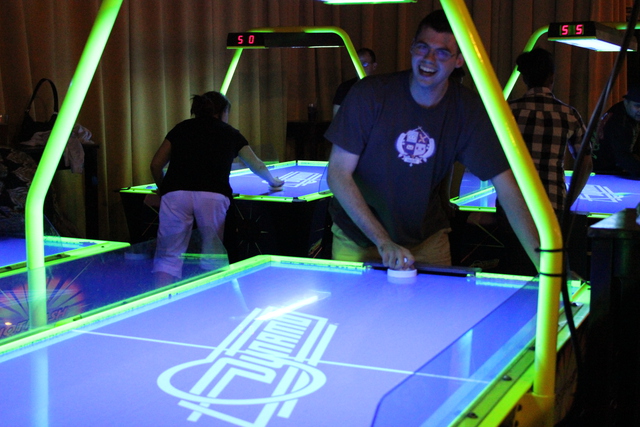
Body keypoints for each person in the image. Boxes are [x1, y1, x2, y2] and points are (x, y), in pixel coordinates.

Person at [325, 9, 540, 271]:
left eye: (442, 52)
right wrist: (383, 241)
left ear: (459, 60)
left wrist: (548, 265)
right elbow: (337, 174)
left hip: (426, 238)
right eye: (423, 47)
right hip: (357, 237)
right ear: (411, 47)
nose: (429, 59)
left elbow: (509, 191)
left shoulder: (467, 110)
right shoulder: (369, 94)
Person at [150, 91, 283, 284]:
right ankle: (213, 296)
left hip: (175, 194)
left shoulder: (180, 128)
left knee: (168, 256)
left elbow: (155, 165)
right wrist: (273, 181)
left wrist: (164, 189)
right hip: (213, 195)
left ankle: (162, 296)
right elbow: (257, 165)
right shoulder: (230, 132)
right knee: (213, 254)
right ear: (222, 112)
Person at [509, 48, 592, 213]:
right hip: (553, 202)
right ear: (552, 77)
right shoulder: (569, 114)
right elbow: (586, 163)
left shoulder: (507, 111)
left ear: (524, 78)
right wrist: (569, 199)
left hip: (513, 203)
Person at [592, 85, 640, 178]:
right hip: (603, 173)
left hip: (603, 171)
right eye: (637, 106)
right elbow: (622, 156)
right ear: (626, 102)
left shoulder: (623, 112)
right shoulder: (618, 121)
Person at [332, 48, 378, 117]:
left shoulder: (381, 88)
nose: (360, 67)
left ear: (374, 66)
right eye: (357, 63)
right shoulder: (344, 88)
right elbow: (336, 117)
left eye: (364, 64)